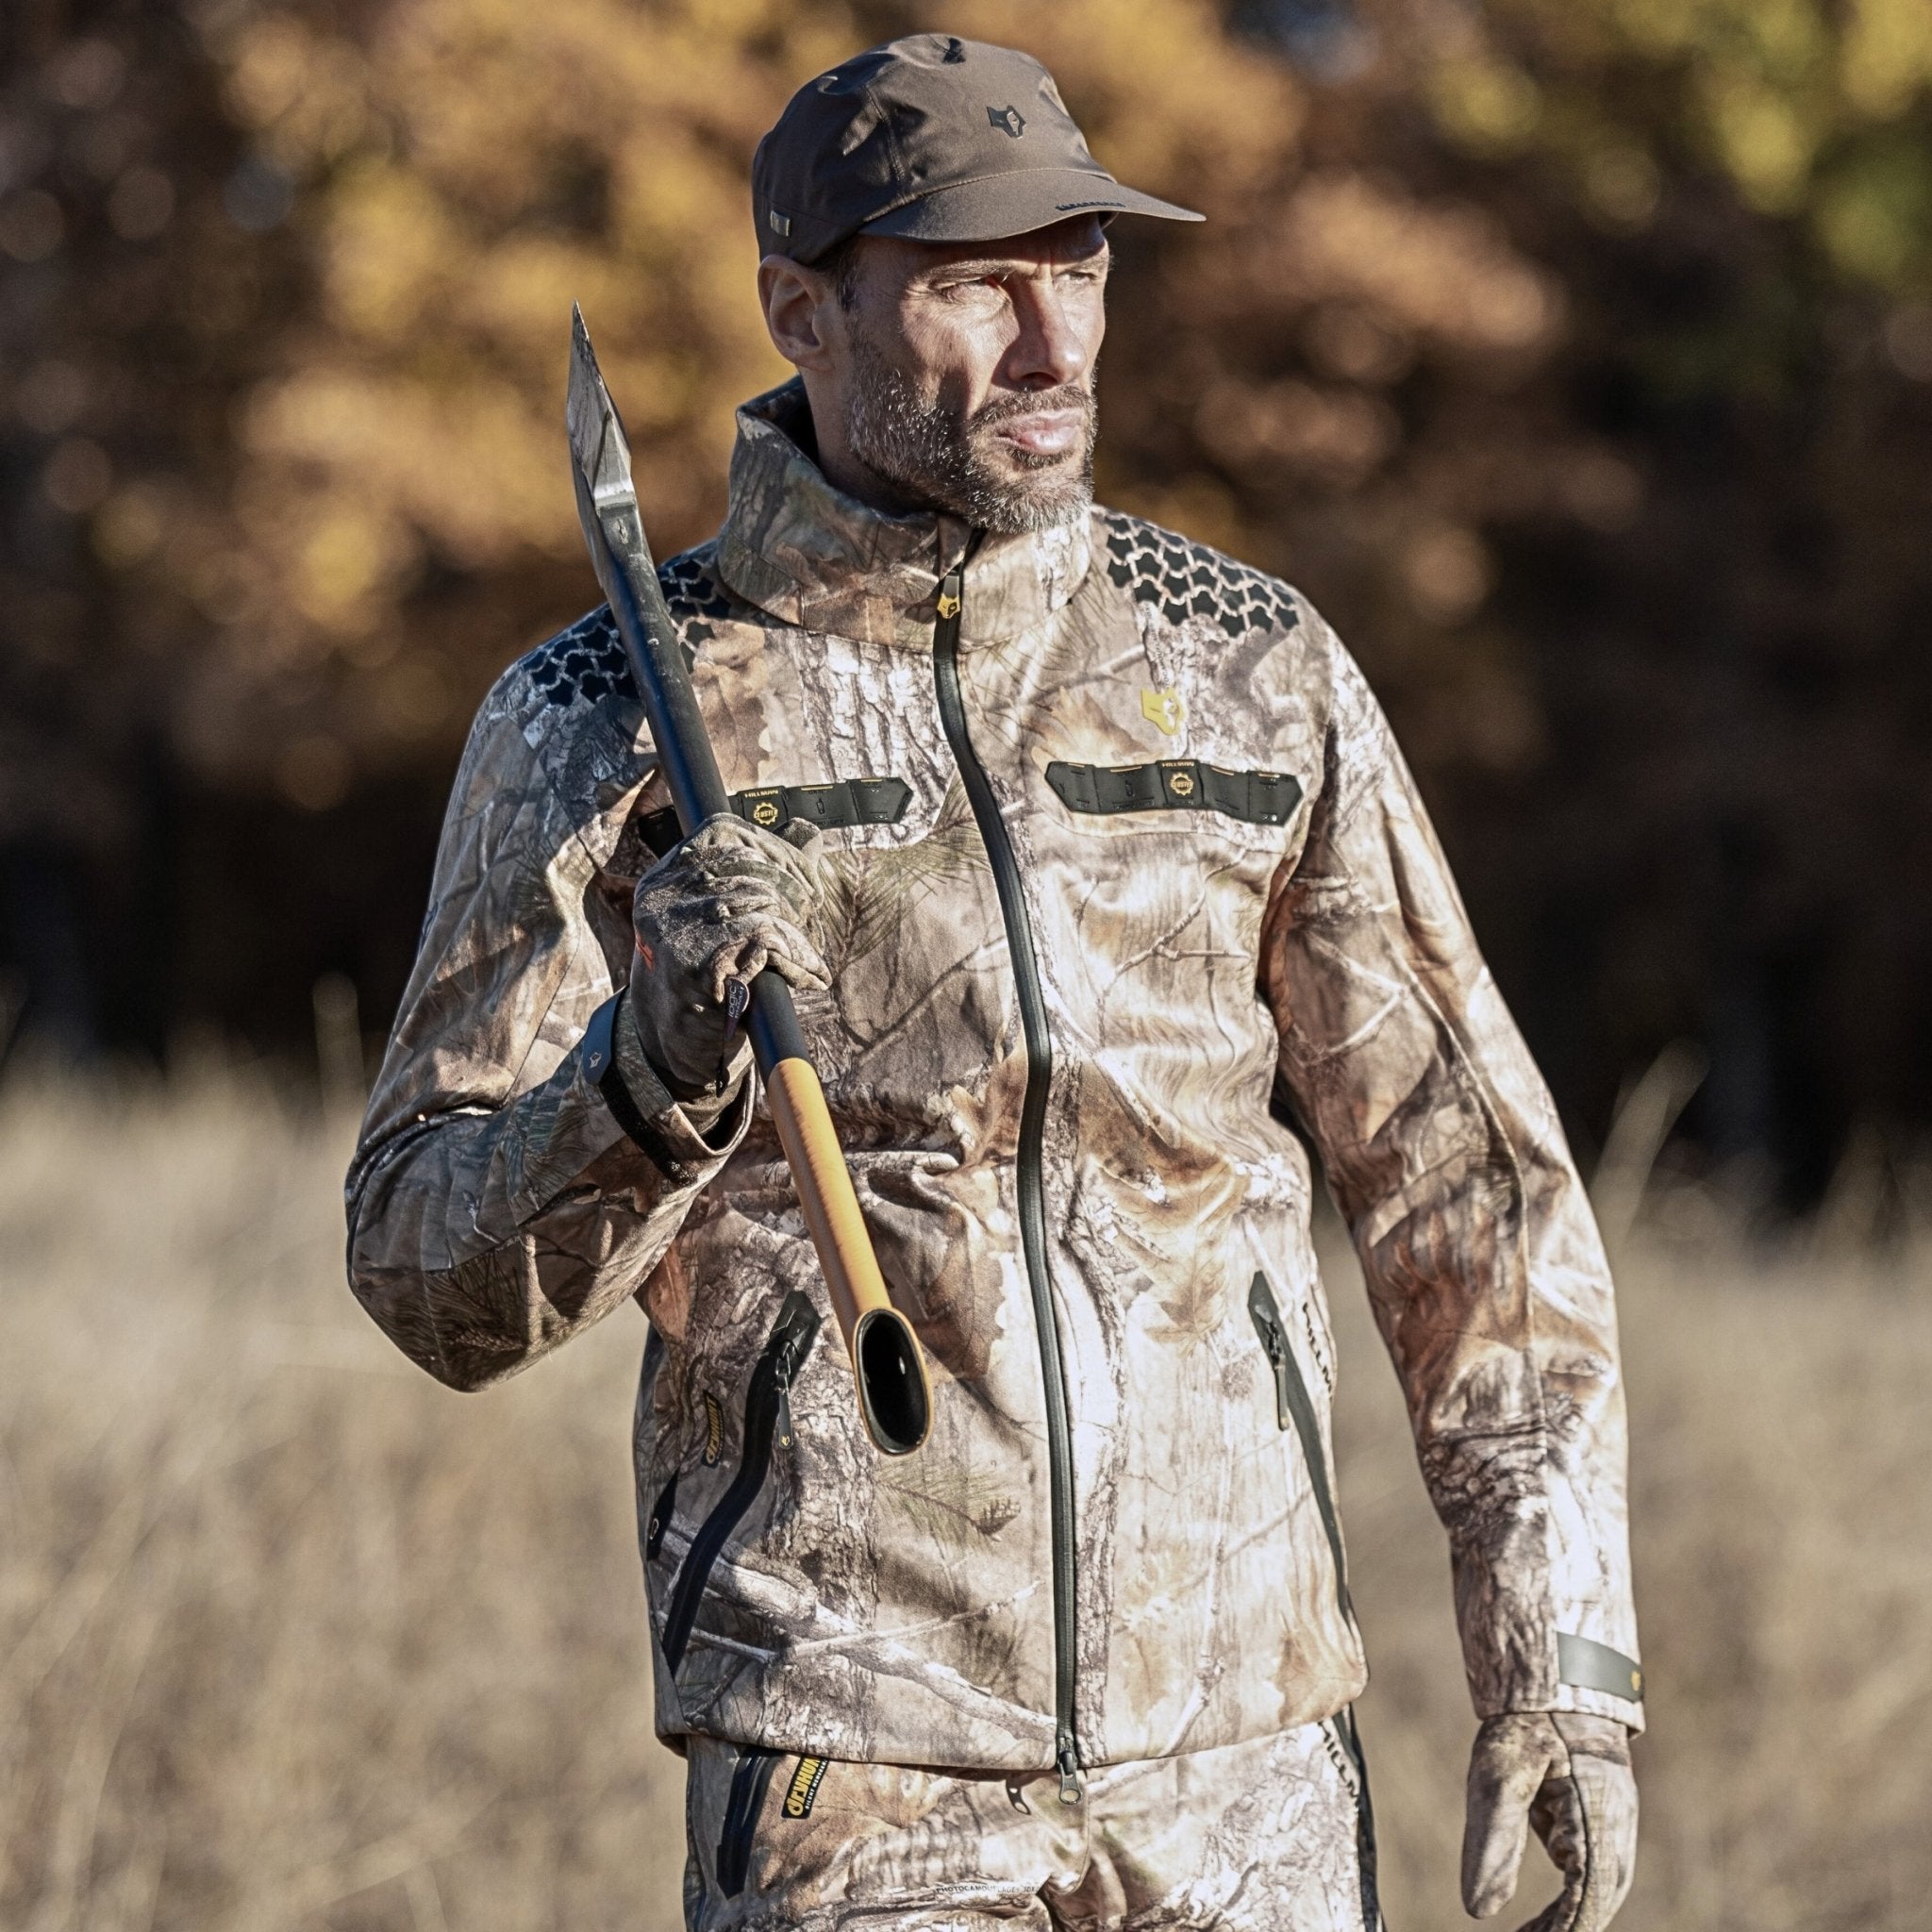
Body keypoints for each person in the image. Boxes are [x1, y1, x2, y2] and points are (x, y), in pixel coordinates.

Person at [345, 33, 1641, 1932]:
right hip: (849, 1753)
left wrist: (1560, 1657)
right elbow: (422, 1275)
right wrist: (653, 1077)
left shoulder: (1254, 668)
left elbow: (1472, 1189)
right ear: (802, 309)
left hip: (1251, 1760)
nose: (1056, 349)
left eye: (1082, 271)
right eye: (972, 283)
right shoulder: (599, 710)